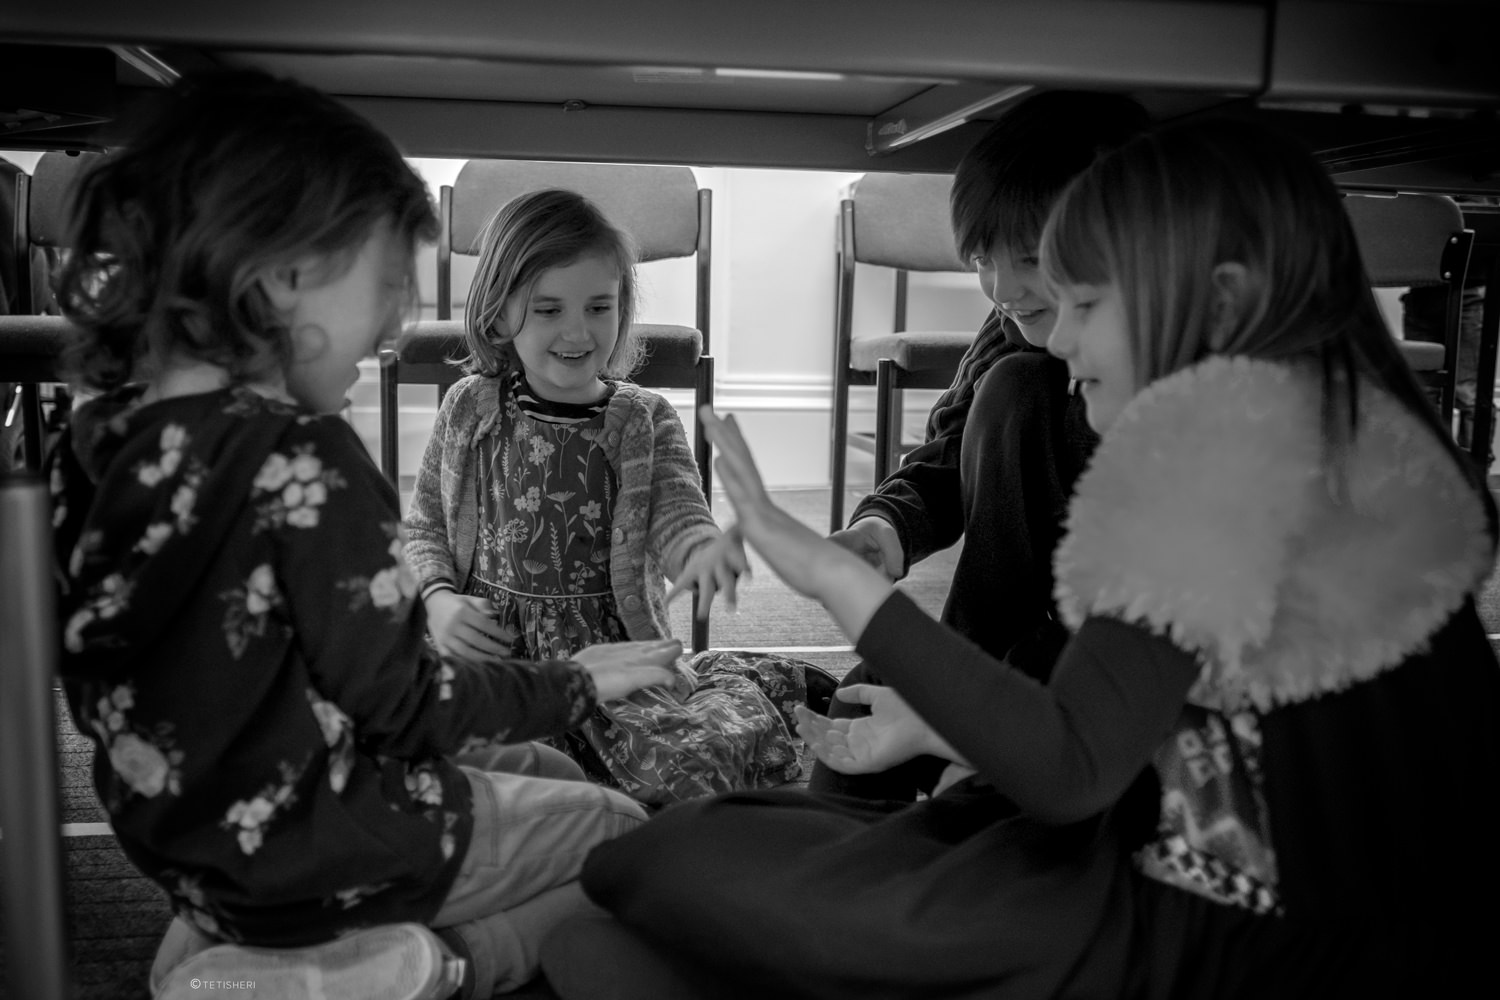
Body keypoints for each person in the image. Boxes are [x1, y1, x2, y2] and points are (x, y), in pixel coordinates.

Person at [541, 117, 1500, 998]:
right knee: (674, 863)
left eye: (1080, 299)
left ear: (1220, 301)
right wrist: (938, 730)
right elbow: (1148, 748)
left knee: (646, 878)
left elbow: (1074, 766)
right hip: (1140, 858)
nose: (1056, 335)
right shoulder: (1307, 443)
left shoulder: (1215, 479)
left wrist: (834, 579)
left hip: (1179, 931)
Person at [45, 70, 687, 1000]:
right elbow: (406, 708)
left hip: (186, 845)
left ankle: (214, 955)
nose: (393, 328)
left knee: (545, 767)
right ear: (282, 273)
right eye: (384, 286)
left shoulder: (97, 435)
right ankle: (430, 965)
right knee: (627, 833)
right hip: (318, 839)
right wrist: (574, 681)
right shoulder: (306, 459)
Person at [403, 188, 814, 807]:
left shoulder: (645, 419)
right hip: (492, 661)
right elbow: (426, 528)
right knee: (397, 744)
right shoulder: (468, 407)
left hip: (609, 662)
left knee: (688, 769)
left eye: (599, 306)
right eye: (547, 310)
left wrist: (697, 551)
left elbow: (678, 510)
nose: (577, 330)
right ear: (495, 315)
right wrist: (436, 602)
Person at [815, 91, 1149, 800]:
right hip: (995, 636)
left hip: (1088, 655)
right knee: (855, 715)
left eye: (1028, 259)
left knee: (1017, 385)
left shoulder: (1175, 393)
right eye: (980, 261)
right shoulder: (1011, 330)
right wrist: (885, 529)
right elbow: (946, 453)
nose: (1001, 288)